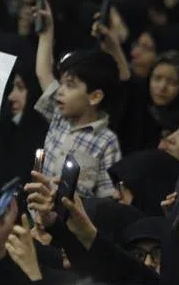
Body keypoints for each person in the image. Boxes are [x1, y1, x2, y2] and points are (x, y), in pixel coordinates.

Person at [33, 47, 122, 198]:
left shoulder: (106, 142)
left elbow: (107, 198)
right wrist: (46, 34)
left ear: (95, 97)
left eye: (70, 85)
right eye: (61, 83)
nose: (60, 91)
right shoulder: (59, 116)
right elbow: (43, 73)